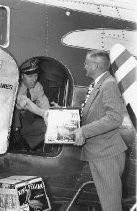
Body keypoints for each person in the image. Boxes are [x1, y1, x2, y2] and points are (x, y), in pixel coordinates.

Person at [71, 50, 127, 211]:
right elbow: (90, 113)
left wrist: (84, 131)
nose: (84, 66)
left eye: (86, 63)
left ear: (95, 65)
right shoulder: (99, 84)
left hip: (106, 154)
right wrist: (62, 112)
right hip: (100, 153)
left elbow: (115, 118)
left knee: (111, 206)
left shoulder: (108, 84)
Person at [13, 58, 50, 150]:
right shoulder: (16, 86)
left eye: (36, 75)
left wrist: (50, 116)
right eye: (30, 76)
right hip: (12, 123)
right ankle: (15, 138)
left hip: (27, 121)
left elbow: (44, 102)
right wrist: (43, 114)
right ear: (21, 76)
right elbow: (24, 102)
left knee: (46, 128)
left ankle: (25, 146)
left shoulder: (38, 86)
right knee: (16, 110)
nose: (34, 79)